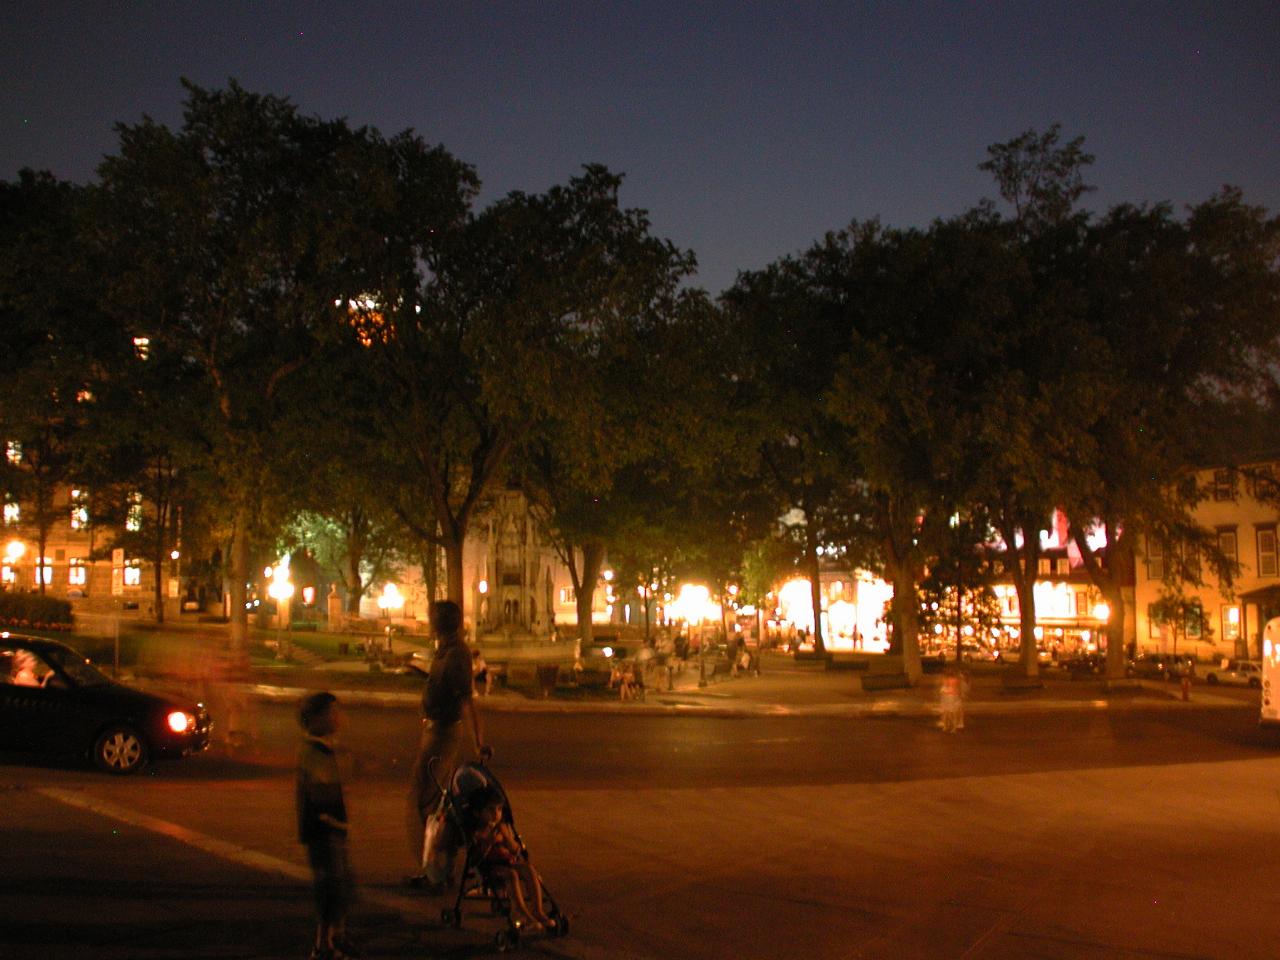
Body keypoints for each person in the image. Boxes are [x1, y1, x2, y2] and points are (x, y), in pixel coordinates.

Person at [408, 600, 487, 885]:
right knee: (428, 801)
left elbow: (468, 698)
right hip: (434, 729)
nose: (429, 621)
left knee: (428, 802)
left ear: (441, 621)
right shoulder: (445, 650)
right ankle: (435, 868)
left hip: (443, 733)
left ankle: (436, 871)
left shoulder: (456, 654)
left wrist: (479, 740)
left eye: (432, 617)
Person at [296, 692, 356, 960]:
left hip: (334, 827)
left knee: (341, 883)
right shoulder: (313, 751)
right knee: (329, 887)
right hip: (323, 829)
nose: (338, 717)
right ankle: (323, 945)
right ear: (316, 719)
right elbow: (320, 792)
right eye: (333, 712)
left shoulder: (324, 748)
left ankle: (338, 935)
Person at [470, 785, 552, 931]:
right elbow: (478, 857)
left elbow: (515, 850)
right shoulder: (478, 831)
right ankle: (519, 911)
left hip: (509, 861)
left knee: (529, 869)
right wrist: (490, 839)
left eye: (499, 809)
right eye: (491, 810)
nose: (496, 814)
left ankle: (537, 910)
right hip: (491, 866)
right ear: (477, 813)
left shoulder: (503, 826)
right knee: (512, 875)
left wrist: (507, 838)